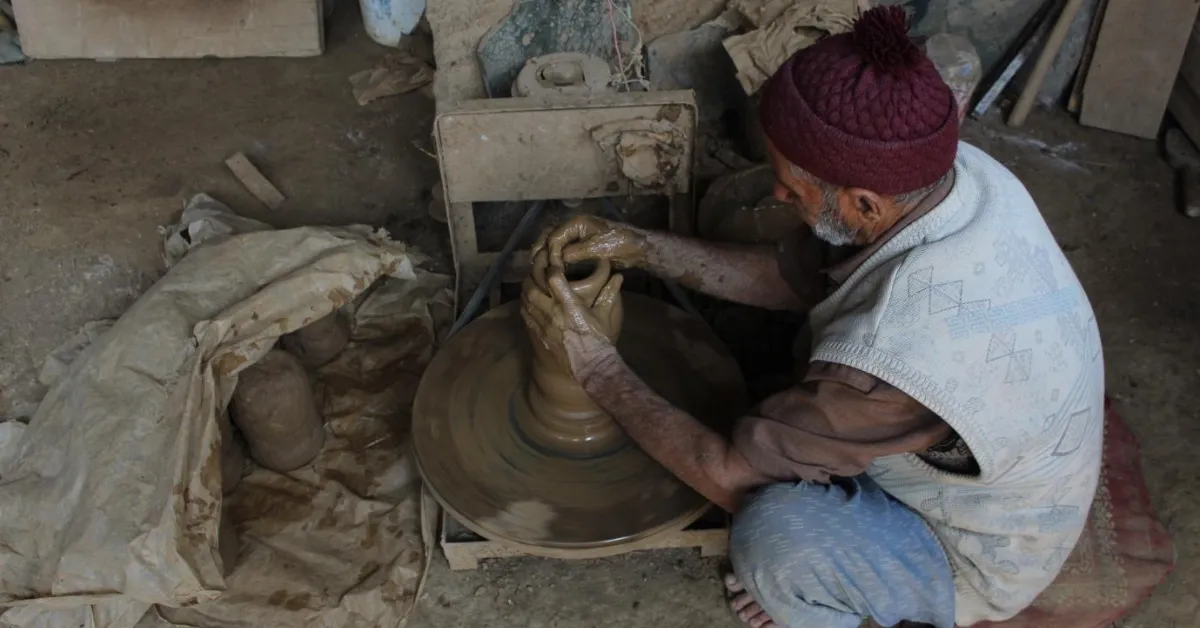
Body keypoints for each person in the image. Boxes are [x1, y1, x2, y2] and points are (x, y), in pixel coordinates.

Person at [521, 6, 1104, 628]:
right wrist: (638, 245)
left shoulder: (893, 358)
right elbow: (790, 277)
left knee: (776, 538)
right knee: (752, 229)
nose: (778, 194)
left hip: (973, 543)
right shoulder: (957, 178)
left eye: (792, 187)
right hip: (993, 420)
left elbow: (729, 476)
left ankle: (842, 600)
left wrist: (594, 370)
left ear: (862, 203)